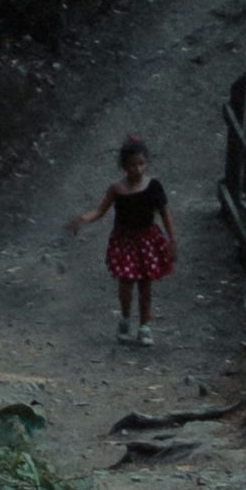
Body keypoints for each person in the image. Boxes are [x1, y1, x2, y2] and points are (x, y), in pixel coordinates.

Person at [70, 135, 176, 345]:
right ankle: (125, 318)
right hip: (125, 241)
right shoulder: (116, 189)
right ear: (123, 166)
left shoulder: (154, 187)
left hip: (147, 240)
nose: (137, 169)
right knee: (126, 283)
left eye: (141, 164)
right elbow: (100, 211)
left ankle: (145, 326)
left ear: (147, 163)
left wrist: (172, 240)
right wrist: (83, 219)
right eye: (132, 165)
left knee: (146, 285)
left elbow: (165, 214)